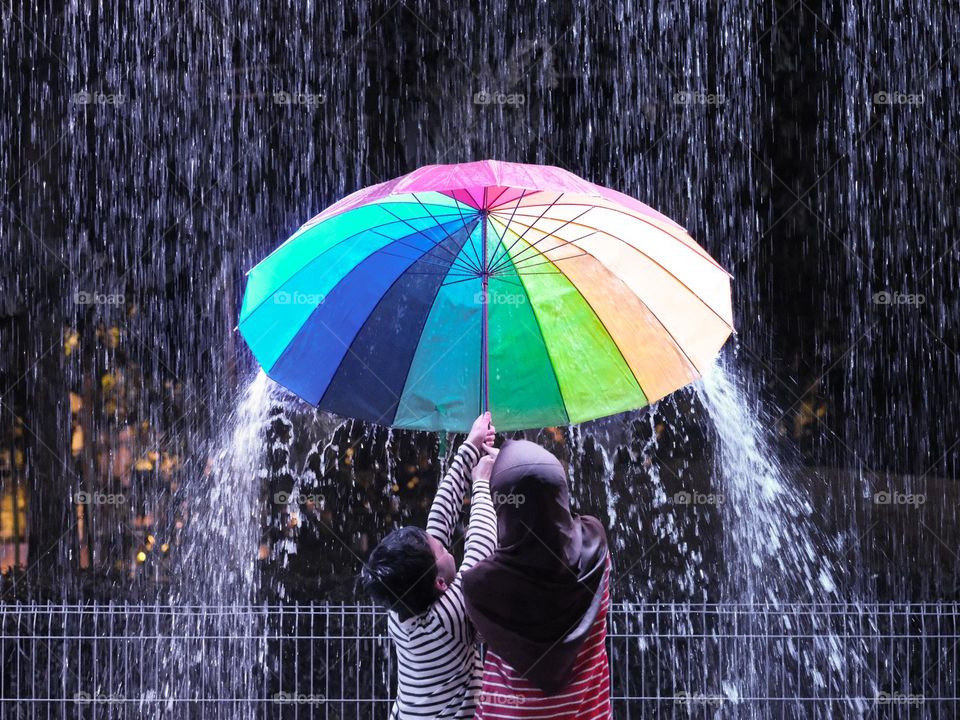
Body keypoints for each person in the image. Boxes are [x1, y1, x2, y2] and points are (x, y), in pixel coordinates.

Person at [361, 412, 499, 720]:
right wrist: (481, 483)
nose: (442, 541)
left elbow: (440, 517)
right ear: (440, 583)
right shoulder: (448, 619)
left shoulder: (399, 607)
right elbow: (480, 547)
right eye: (440, 548)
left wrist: (471, 446)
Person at [462, 439, 612, 719]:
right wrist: (520, 465)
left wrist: (484, 483)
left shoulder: (480, 586)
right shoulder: (597, 544)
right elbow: (553, 514)